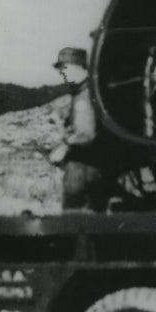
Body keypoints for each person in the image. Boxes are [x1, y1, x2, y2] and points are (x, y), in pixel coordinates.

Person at [49, 47, 118, 211]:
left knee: (74, 217)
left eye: (64, 69)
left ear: (77, 67)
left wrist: (63, 147)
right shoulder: (89, 91)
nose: (62, 74)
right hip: (94, 169)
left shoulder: (85, 95)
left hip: (82, 169)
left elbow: (86, 135)